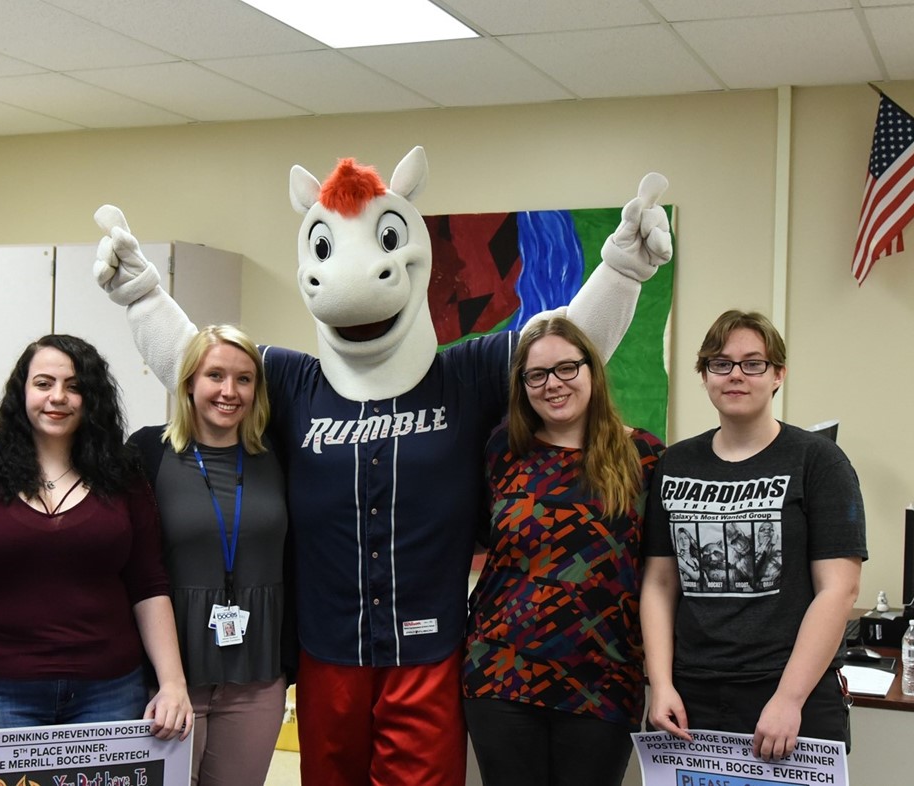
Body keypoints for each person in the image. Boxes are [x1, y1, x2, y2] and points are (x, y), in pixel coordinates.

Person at [93, 151, 672, 785]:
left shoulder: (465, 373)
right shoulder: (295, 382)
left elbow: (561, 351)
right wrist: (141, 294)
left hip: (430, 652)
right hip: (326, 649)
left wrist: (621, 271)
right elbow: (204, 364)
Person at [0, 334, 192, 762]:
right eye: (44, 383)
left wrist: (172, 684)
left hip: (111, 693)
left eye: (74, 386)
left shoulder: (124, 479)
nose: (59, 397)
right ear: (22, 392)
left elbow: (149, 584)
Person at [641, 310, 866, 760]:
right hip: (693, 695)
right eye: (720, 363)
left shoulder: (818, 462)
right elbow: (660, 583)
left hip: (788, 693)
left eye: (753, 363)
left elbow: (839, 591)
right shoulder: (675, 464)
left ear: (778, 374)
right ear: (704, 376)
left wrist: (789, 699)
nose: (736, 375)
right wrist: (661, 684)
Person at [462, 317, 664, 786]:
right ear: (523, 385)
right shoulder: (503, 450)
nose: (553, 384)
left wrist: (662, 674)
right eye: (537, 374)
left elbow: (660, 578)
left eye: (567, 368)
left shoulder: (645, 457)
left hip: (604, 680)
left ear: (592, 370)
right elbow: (474, 540)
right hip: (502, 674)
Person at [126, 325, 291, 786]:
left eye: (243, 379)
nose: (229, 391)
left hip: (257, 678)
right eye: (215, 375)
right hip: (170, 679)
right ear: (189, 383)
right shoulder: (146, 453)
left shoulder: (277, 456)